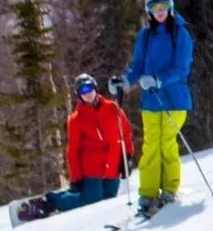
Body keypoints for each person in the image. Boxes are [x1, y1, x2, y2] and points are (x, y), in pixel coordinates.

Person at [16, 74, 135, 221]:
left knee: (108, 203)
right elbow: (73, 151)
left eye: (90, 88)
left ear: (96, 88)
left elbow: (126, 133)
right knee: (91, 202)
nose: (88, 94)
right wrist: (76, 177)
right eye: (83, 91)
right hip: (93, 170)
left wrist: (127, 157)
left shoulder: (113, 109)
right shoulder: (76, 119)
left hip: (113, 169)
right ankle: (50, 202)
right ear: (79, 95)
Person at [121, 0, 194, 216]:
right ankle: (148, 193)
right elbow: (138, 65)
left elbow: (182, 69)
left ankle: (170, 188)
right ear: (149, 12)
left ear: (170, 8)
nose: (160, 12)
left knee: (167, 143)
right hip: (151, 101)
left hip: (174, 100)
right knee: (151, 145)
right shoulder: (145, 35)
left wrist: (158, 80)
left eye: (163, 7)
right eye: (155, 8)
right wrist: (125, 81)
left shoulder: (180, 33)